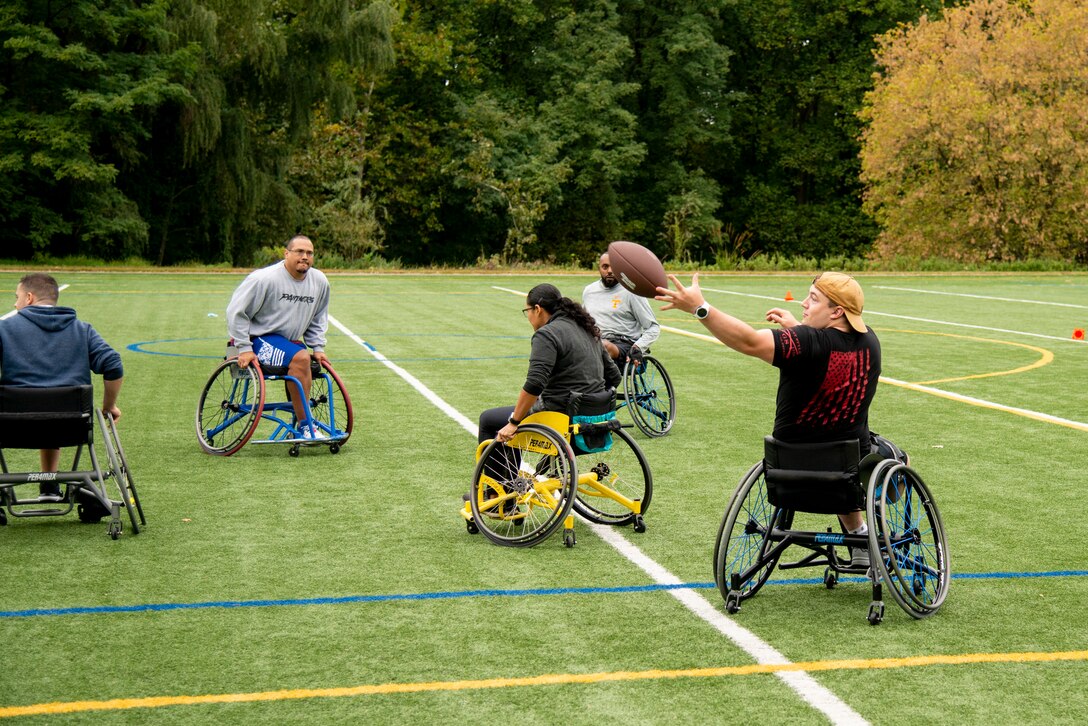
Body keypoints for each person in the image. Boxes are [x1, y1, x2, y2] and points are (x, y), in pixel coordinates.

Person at [656, 271, 906, 568]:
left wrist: (701, 308)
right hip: (845, 476)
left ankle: (860, 536)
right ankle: (863, 537)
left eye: (813, 299)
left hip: (786, 471)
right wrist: (799, 328)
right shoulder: (870, 343)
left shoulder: (806, 343)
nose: (803, 303)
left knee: (841, 451)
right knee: (890, 456)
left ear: (837, 311)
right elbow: (829, 348)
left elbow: (749, 341)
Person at [0, 273, 123, 505]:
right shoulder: (82, 330)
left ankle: (48, 484)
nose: (14, 304)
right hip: (72, 426)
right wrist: (109, 406)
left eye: (16, 297)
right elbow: (113, 364)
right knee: (51, 408)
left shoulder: (4, 329)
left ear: (28, 297)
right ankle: (49, 484)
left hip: (11, 427)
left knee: (39, 405)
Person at [478, 283, 622, 446]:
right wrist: (591, 398)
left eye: (527, 311)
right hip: (595, 420)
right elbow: (614, 376)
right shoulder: (587, 329)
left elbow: (535, 384)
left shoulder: (547, 334)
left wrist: (514, 421)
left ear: (537, 309)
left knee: (488, 420)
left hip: (561, 418)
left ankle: (500, 472)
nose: (529, 317)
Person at [226, 234, 331, 439]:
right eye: (299, 251)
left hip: (289, 342)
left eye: (309, 253)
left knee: (303, 358)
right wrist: (244, 348)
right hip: (258, 338)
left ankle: (301, 417)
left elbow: (318, 317)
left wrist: (318, 348)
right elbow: (236, 312)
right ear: (286, 254)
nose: (305, 256)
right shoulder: (264, 278)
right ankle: (305, 425)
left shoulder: (319, 281)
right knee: (300, 358)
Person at [582, 251, 660, 366]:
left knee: (603, 347)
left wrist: (638, 347)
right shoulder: (589, 291)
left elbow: (653, 328)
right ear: (599, 268)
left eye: (614, 267)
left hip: (624, 345)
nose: (609, 271)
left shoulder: (632, 292)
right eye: (605, 267)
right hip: (596, 342)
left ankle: (604, 382)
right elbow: (584, 323)